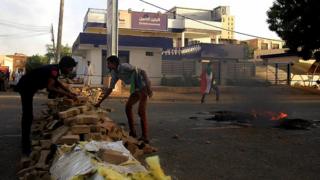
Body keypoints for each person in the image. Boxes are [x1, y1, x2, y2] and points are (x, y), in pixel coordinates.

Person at [16, 56, 78, 156]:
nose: (71, 70)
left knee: (28, 115)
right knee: (27, 116)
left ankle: (26, 142)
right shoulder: (54, 70)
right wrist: (68, 94)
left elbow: (57, 82)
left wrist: (68, 91)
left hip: (29, 86)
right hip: (26, 86)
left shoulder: (55, 69)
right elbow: (50, 87)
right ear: (65, 66)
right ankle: (25, 146)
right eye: (70, 68)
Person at [95, 56, 153, 143]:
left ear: (114, 63)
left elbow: (143, 72)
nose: (107, 65)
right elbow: (110, 89)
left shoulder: (124, 66)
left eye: (108, 63)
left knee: (141, 112)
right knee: (128, 107)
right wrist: (99, 102)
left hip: (143, 87)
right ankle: (133, 132)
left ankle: (145, 136)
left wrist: (148, 88)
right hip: (135, 90)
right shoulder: (115, 73)